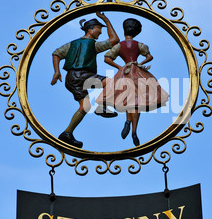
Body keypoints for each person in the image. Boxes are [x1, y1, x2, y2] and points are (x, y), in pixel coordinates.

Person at [51, 11, 119, 148]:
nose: (100, 33)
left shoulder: (71, 44)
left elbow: (56, 53)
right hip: (83, 75)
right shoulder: (93, 44)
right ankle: (101, 106)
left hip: (71, 78)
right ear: (91, 29)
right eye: (99, 29)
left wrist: (57, 71)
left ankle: (67, 133)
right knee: (110, 82)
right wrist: (106, 20)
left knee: (85, 106)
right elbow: (114, 40)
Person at [96, 18, 169, 146]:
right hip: (137, 72)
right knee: (137, 101)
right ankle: (133, 130)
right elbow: (149, 56)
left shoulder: (120, 45)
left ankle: (128, 123)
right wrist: (140, 63)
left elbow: (107, 58)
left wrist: (119, 67)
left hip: (125, 71)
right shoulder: (139, 44)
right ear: (137, 32)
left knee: (127, 99)